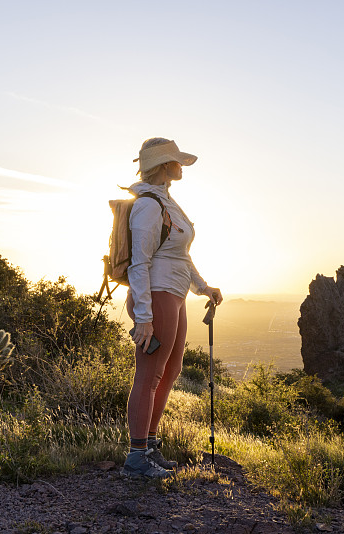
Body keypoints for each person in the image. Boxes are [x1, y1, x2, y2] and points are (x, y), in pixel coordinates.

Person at [121, 137, 223, 479]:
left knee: (170, 371)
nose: (182, 166)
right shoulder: (149, 205)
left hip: (174, 294)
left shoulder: (167, 201)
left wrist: (203, 287)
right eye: (177, 161)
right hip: (158, 294)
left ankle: (149, 448)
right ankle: (136, 459)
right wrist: (144, 318)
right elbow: (139, 262)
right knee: (149, 375)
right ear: (165, 165)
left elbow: (181, 254)